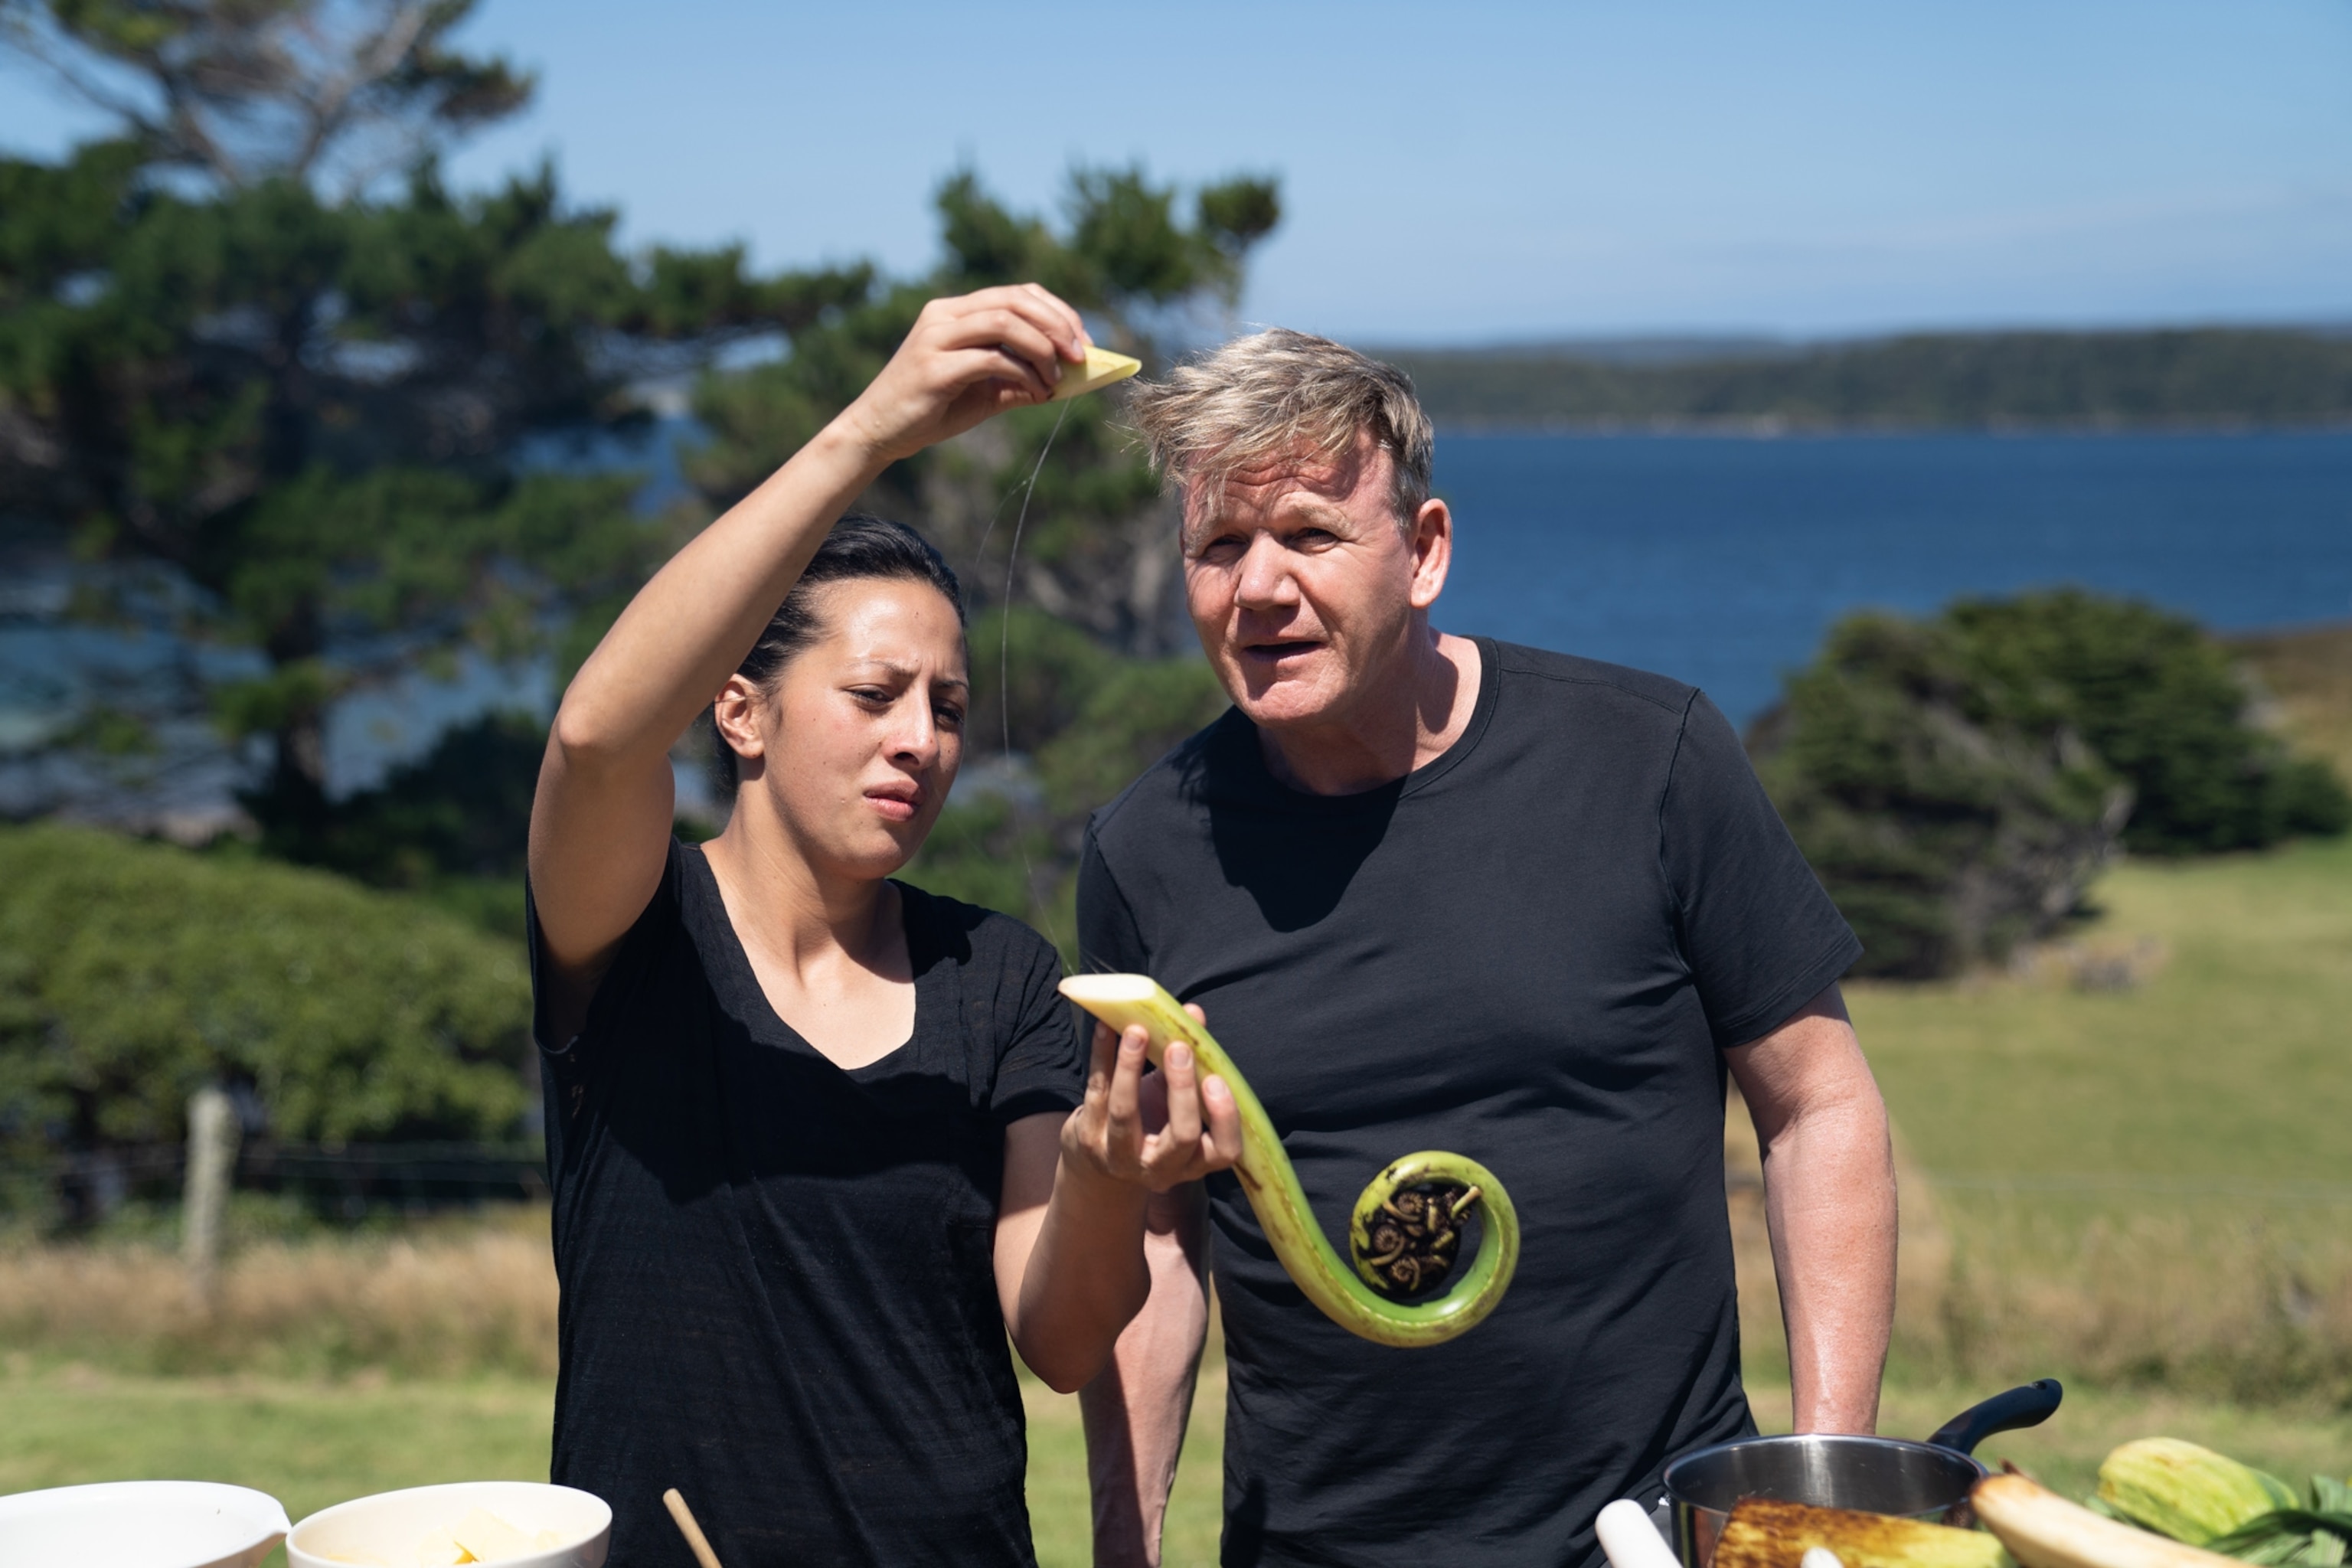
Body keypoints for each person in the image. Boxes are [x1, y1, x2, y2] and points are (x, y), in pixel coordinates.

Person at [1073, 330, 1900, 1568]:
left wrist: (1822, 1492)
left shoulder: (1648, 760)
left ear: (1425, 551)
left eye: (1308, 533)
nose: (1258, 587)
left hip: (1646, 1541)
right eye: (1220, 545)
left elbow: (1818, 1109)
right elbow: (1159, 1233)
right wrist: (1123, 1549)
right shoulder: (1147, 851)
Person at [527, 284, 1188, 1566]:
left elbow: (1060, 1344)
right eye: (875, 694)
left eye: (948, 707)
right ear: (739, 711)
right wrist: (868, 433)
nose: (921, 740)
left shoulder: (1000, 976)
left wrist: (1107, 1170)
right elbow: (598, 737)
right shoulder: (635, 932)